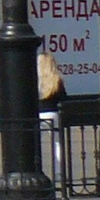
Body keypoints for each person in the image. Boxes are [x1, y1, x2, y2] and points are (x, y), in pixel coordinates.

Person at [38, 48, 68, 188]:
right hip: (53, 113)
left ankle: (37, 170)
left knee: (35, 144)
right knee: (57, 144)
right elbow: (63, 98)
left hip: (38, 115)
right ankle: (59, 174)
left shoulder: (36, 80)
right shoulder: (56, 80)